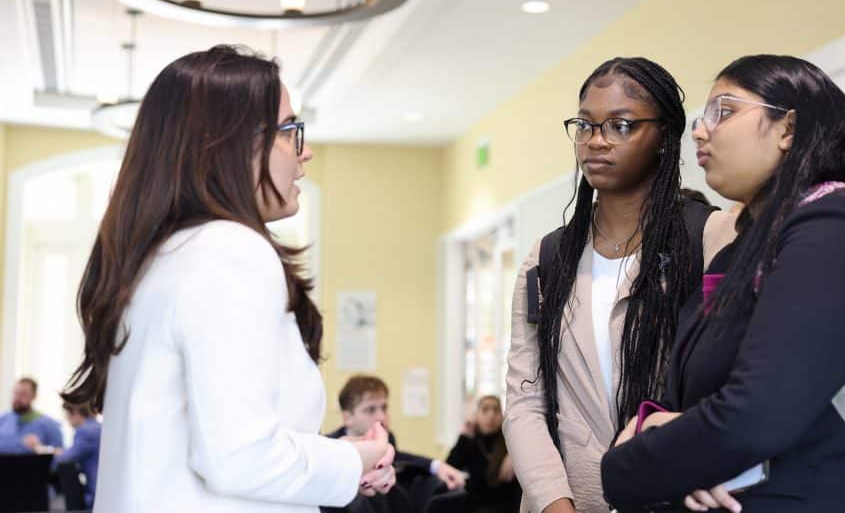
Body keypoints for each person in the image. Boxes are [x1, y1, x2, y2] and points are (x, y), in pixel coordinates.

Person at [601, 55, 845, 513]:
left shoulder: (840, 224)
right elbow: (687, 401)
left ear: (788, 128)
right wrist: (674, 443)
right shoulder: (740, 252)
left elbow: (753, 418)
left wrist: (625, 468)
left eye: (723, 111)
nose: (700, 131)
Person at [60, 45, 395, 513]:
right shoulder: (229, 250)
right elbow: (239, 457)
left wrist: (344, 464)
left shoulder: (161, 256)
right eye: (289, 131)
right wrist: (354, 457)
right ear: (230, 144)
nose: (306, 151)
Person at [504, 57, 736, 513]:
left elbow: (739, 380)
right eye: (585, 126)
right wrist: (555, 504)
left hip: (678, 493)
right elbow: (525, 400)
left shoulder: (714, 237)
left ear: (666, 138)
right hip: (568, 501)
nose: (597, 141)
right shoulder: (547, 258)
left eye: (621, 126)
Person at [329, 375, 466, 490]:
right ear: (348, 417)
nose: (382, 416)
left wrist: (437, 466)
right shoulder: (330, 447)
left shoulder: (388, 438)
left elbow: (400, 457)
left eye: (384, 407)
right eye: (370, 410)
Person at [446, 396, 521, 513]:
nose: (491, 415)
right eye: (485, 410)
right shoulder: (469, 442)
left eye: (496, 410)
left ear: (502, 416)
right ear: (476, 416)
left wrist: (514, 455)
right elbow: (449, 469)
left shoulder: (510, 443)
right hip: (474, 508)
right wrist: (463, 436)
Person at [42, 403, 101, 508]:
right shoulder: (96, 427)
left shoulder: (85, 431)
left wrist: (42, 451)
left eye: (67, 415)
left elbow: (65, 459)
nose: (67, 420)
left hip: (95, 494)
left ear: (76, 413)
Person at [0, 377, 63, 454]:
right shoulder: (2, 420)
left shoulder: (50, 425)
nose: (18, 398)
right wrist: (20, 443)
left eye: (23, 394)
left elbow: (60, 453)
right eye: (16, 393)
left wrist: (40, 448)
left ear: (34, 396)